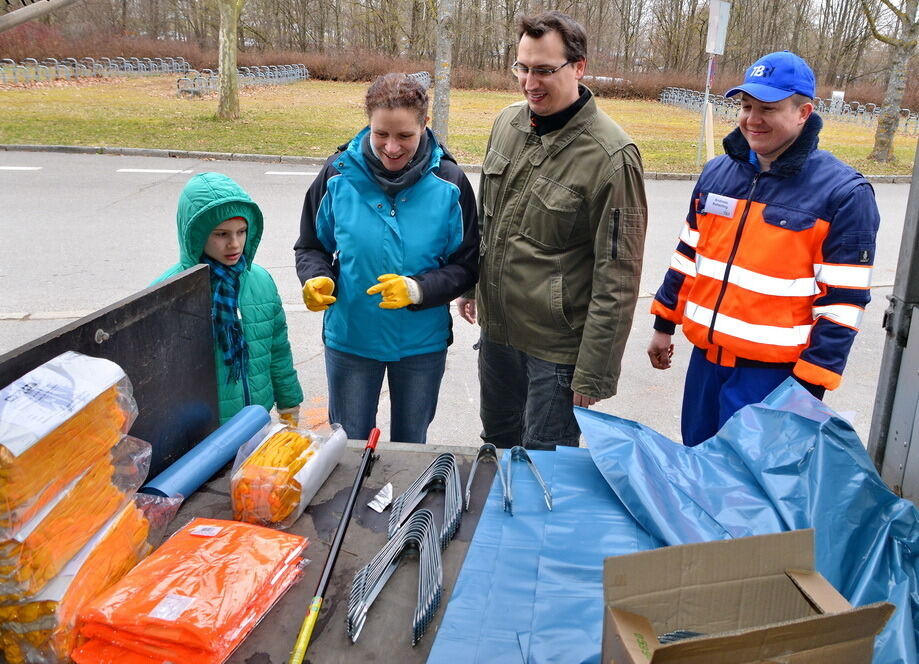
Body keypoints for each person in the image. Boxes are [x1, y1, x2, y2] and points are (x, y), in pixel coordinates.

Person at [647, 51, 880, 447]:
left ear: (803, 112)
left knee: (750, 493)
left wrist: (807, 390)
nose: (752, 119)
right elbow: (688, 255)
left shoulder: (843, 194)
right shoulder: (716, 173)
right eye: (746, 106)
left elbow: (843, 305)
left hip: (774, 380)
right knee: (697, 468)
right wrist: (663, 326)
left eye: (768, 109)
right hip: (705, 366)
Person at [456, 11, 648, 450]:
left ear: (579, 68)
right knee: (499, 447)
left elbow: (618, 275)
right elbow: (489, 223)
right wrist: (471, 285)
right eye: (522, 68)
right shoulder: (508, 123)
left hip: (556, 353)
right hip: (498, 336)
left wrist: (595, 370)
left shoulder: (612, 156)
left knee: (546, 466)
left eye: (544, 70)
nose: (529, 82)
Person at [294, 73, 479, 444]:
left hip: (421, 345)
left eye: (405, 136)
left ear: (425, 125)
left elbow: (466, 265)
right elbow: (311, 246)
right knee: (348, 446)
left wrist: (418, 289)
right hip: (351, 339)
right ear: (368, 124)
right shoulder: (336, 176)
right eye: (381, 134)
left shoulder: (450, 183)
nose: (392, 147)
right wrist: (315, 277)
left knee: (411, 447)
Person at [154, 172, 304, 425]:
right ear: (197, 236)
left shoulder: (260, 281)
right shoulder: (172, 291)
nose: (234, 244)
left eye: (242, 231)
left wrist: (289, 403)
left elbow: (277, 349)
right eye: (221, 234)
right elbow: (158, 375)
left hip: (256, 420)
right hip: (202, 430)